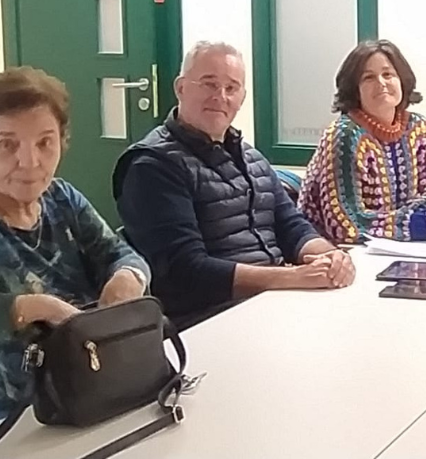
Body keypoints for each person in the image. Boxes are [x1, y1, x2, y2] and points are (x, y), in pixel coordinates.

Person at [113, 42, 354, 327]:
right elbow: (184, 271)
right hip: (209, 319)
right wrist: (291, 277)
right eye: (209, 84)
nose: (220, 97)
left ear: (242, 97)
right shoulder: (151, 165)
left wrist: (330, 258)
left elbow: (292, 226)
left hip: (272, 304)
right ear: (180, 88)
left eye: (232, 88)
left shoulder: (252, 158)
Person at [0, 68, 150, 419]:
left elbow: (119, 252)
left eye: (44, 142)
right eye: (6, 144)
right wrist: (33, 308)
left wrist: (129, 276)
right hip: (18, 414)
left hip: (94, 389)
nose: (29, 162)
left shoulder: (62, 199)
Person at [300, 40, 426, 242]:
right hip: (334, 253)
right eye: (368, 77)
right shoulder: (344, 134)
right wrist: (421, 224)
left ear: (402, 80)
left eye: (388, 74)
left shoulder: (418, 128)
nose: (381, 83)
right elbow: (345, 224)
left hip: (398, 248)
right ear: (354, 89)